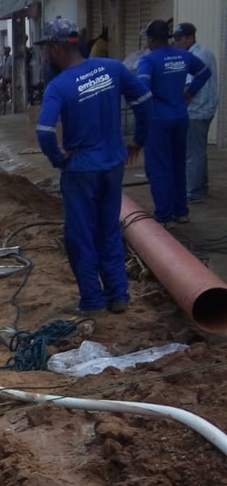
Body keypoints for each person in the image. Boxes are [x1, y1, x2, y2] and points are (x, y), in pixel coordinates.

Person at [35, 18, 153, 315]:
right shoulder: (112, 68)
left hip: (80, 171)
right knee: (109, 229)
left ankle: (92, 301)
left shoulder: (58, 86)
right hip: (113, 165)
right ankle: (118, 296)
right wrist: (137, 141)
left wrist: (58, 159)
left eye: (47, 50)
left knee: (80, 235)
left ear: (56, 49)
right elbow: (144, 100)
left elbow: (45, 131)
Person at [136, 19, 210, 226]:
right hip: (180, 116)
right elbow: (204, 73)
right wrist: (189, 93)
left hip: (158, 120)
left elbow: (142, 88)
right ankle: (181, 211)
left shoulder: (148, 61)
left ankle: (164, 215)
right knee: (178, 164)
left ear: (151, 39)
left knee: (159, 168)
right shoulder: (184, 55)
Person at [173, 22, 219, 204]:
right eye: (175, 39)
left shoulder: (200, 55)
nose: (176, 42)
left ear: (190, 37)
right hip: (200, 108)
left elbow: (188, 85)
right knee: (198, 150)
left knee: (193, 152)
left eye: (179, 39)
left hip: (198, 109)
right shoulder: (193, 53)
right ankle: (200, 186)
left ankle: (193, 191)